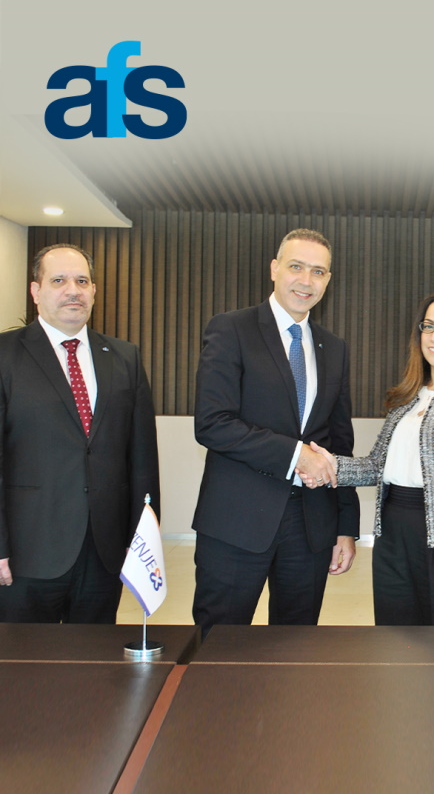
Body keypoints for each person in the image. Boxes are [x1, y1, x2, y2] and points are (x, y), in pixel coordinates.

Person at [191, 228, 359, 636]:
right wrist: (295, 454)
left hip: (311, 528)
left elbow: (340, 443)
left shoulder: (334, 348)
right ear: (274, 269)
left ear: (328, 280)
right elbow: (212, 422)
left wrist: (345, 526)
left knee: (294, 649)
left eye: (318, 271)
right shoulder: (231, 329)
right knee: (220, 646)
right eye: (296, 267)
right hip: (237, 523)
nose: (306, 280)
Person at [303, 291, 434, 625]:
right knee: (395, 639)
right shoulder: (408, 398)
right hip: (393, 533)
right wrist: (327, 464)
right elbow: (376, 467)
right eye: (429, 326)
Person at [0, 244, 160, 623]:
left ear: (94, 291)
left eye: (82, 281)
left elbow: (142, 460)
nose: (73, 290)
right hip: (26, 553)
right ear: (36, 291)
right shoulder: (5, 354)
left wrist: (142, 542)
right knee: (24, 658)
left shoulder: (124, 358)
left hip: (104, 555)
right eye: (59, 280)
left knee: (95, 657)